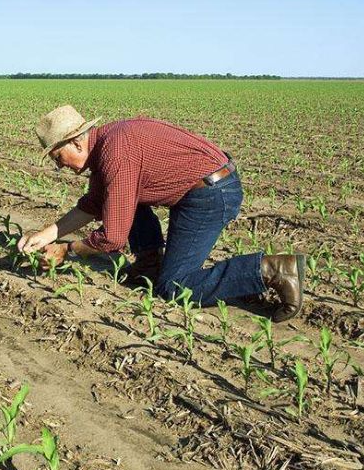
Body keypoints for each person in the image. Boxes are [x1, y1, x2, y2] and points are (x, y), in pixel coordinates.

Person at [17, 105, 305, 322]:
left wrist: (67, 251)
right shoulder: (108, 143)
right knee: (115, 198)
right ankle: (149, 263)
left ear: (76, 142)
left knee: (176, 287)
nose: (59, 166)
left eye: (58, 157)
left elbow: (113, 239)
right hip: (201, 187)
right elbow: (93, 204)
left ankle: (272, 270)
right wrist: (47, 234)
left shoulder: (116, 155)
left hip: (211, 194)